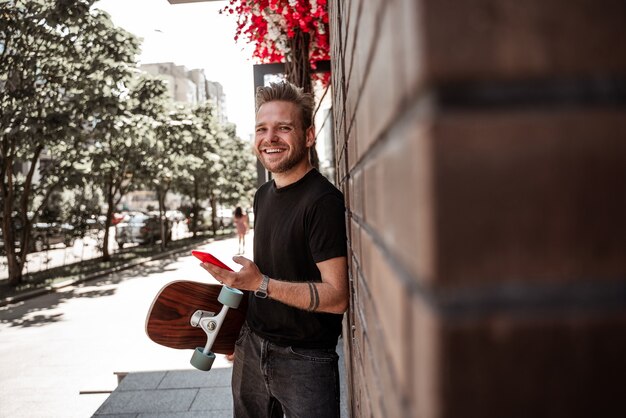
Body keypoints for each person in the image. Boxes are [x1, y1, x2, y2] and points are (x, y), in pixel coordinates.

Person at [201, 81, 348, 418]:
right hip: (252, 346)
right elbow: (266, 275)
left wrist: (259, 283)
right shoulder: (263, 195)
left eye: (284, 128)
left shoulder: (323, 202)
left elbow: (338, 296)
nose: (270, 138)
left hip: (305, 360)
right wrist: (238, 333)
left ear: (308, 136)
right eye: (262, 129)